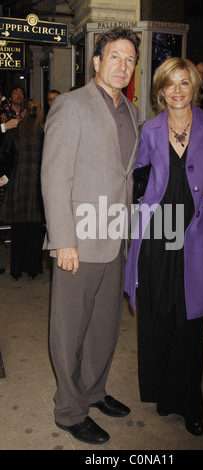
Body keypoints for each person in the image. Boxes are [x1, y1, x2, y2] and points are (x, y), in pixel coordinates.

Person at [124, 57, 203, 436]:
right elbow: (138, 177)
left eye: (184, 83)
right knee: (158, 315)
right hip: (158, 236)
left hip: (195, 236)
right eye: (169, 84)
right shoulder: (150, 130)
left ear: (195, 87)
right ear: (160, 90)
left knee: (190, 321)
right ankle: (163, 393)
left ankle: (190, 401)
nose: (177, 90)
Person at [41, 27, 140, 445]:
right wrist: (64, 238)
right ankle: (69, 410)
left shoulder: (133, 112)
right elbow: (54, 175)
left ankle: (94, 392)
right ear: (97, 61)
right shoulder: (71, 104)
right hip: (78, 241)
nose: (122, 65)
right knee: (70, 330)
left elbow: (124, 176)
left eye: (130, 59)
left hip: (114, 236)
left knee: (104, 326)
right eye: (114, 56)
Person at [0, 99, 45, 280]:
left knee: (18, 229)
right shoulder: (44, 133)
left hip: (19, 181)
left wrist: (9, 172)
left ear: (23, 112)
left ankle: (16, 270)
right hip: (38, 183)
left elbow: (4, 154)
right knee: (35, 229)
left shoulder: (16, 132)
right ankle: (33, 269)